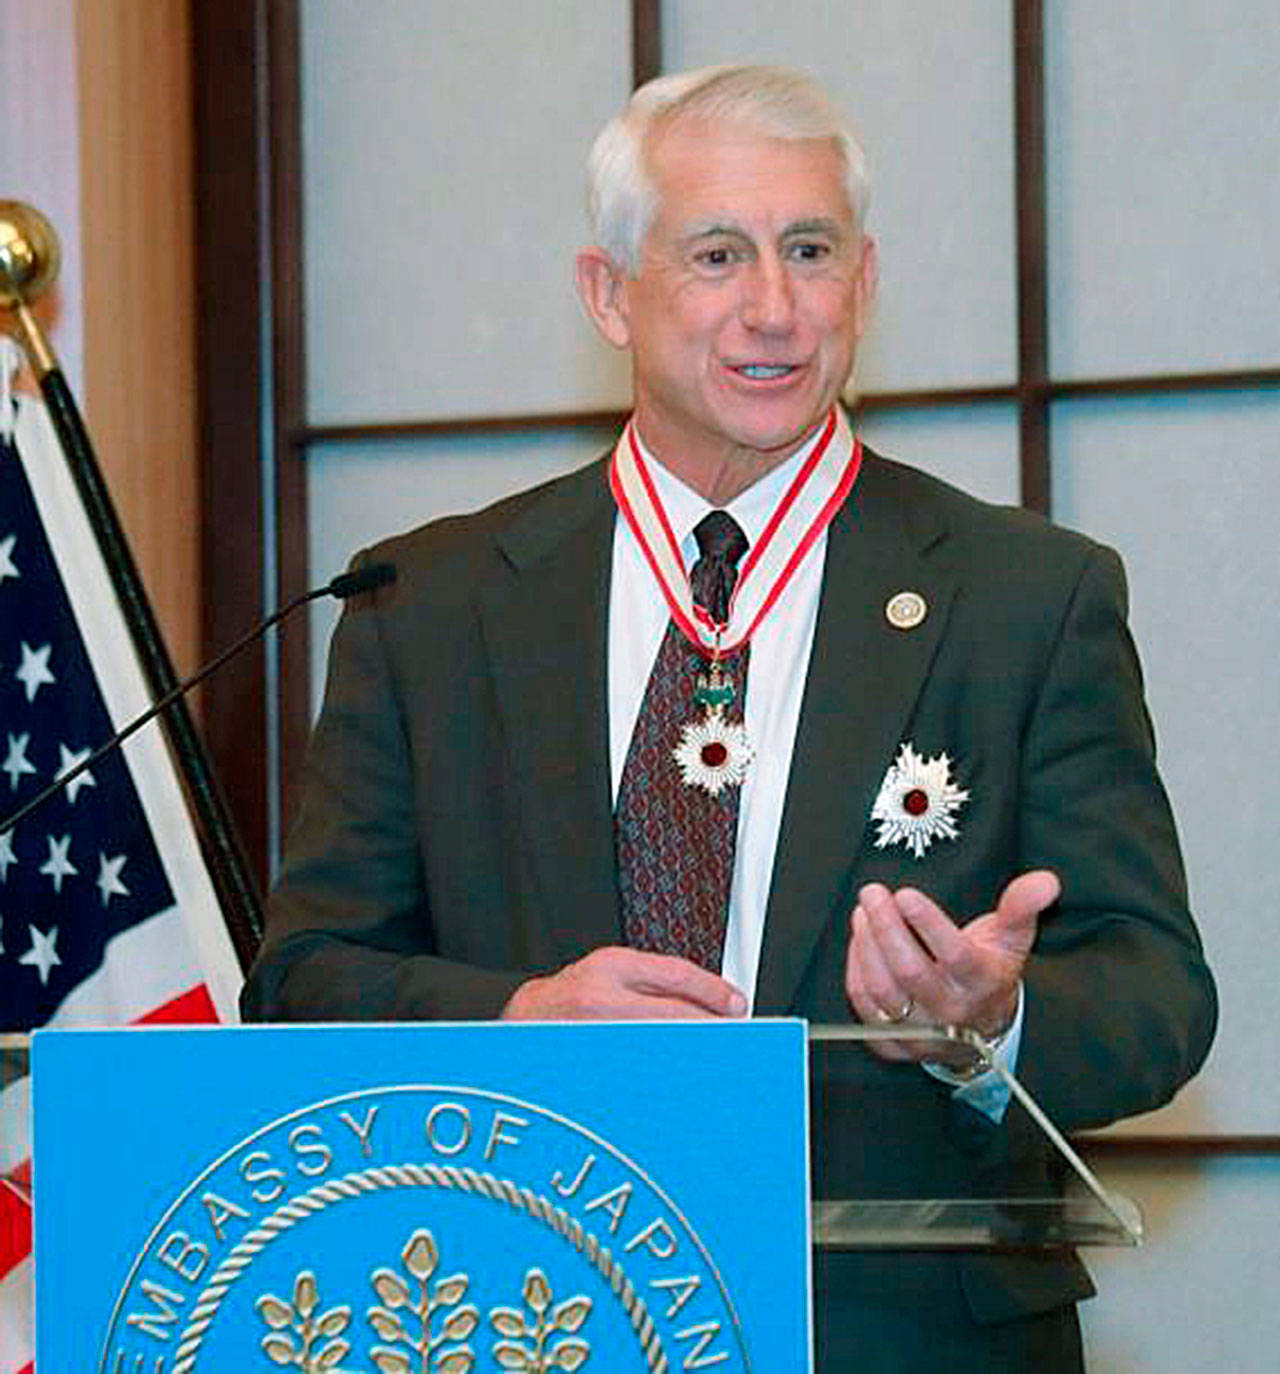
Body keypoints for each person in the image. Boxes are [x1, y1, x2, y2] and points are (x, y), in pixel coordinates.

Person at [243, 65, 1216, 1369]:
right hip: (525, 1307)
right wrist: (525, 1012)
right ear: (607, 292)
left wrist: (993, 1021)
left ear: (863, 280)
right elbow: (303, 983)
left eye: (809, 251)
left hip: (907, 1335)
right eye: (717, 254)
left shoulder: (1025, 597)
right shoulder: (432, 605)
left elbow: (1159, 995)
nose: (774, 309)